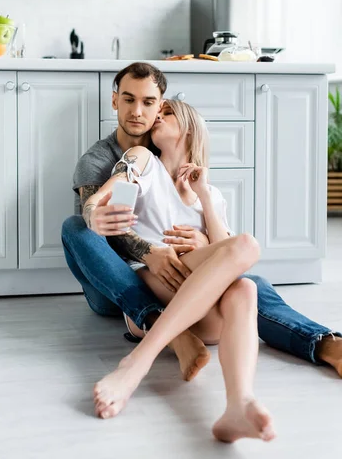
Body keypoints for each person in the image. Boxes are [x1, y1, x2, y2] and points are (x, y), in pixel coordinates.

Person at [61, 62, 342, 385]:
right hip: (115, 281)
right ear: (115, 101)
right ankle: (158, 324)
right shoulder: (112, 160)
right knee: (75, 228)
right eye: (128, 99)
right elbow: (100, 217)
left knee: (251, 284)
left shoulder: (173, 163)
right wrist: (142, 246)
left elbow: (218, 242)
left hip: (176, 274)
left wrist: (205, 242)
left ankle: (323, 343)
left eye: (150, 103)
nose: (138, 111)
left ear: (161, 106)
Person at [88, 98, 276, 441]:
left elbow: (230, 262)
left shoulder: (212, 195)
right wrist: (102, 205)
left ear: (189, 126)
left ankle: (238, 404)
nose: (155, 116)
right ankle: (139, 362)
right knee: (246, 246)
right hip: (154, 284)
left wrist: (203, 198)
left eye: (166, 112)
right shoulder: (145, 162)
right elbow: (119, 196)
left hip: (201, 315)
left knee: (245, 288)